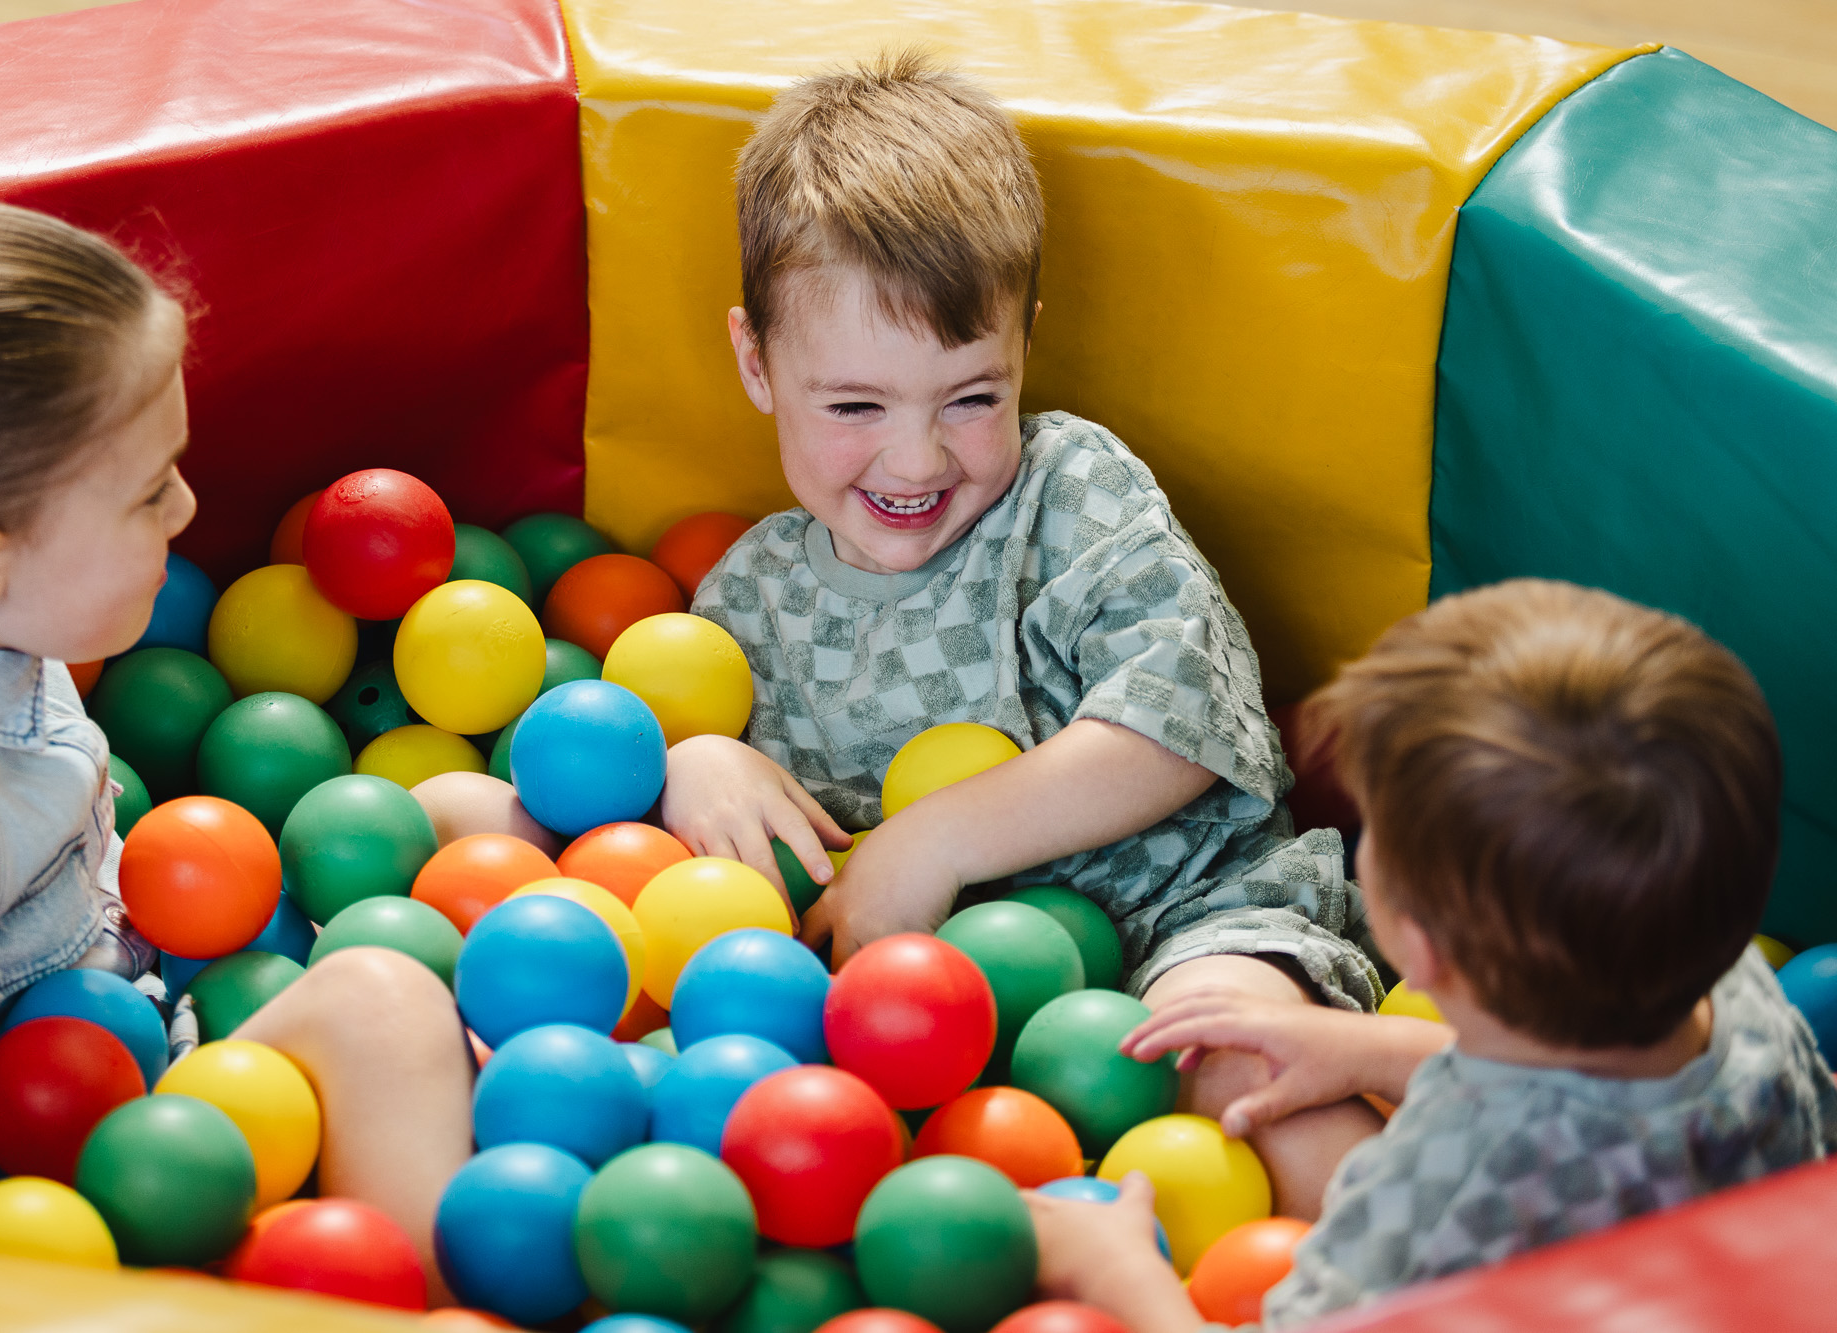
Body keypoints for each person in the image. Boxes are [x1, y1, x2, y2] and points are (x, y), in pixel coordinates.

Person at [664, 50, 1383, 1217]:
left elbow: (1175, 728)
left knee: (1246, 1066)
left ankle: (1454, 1282)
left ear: (1022, 348)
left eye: (969, 396)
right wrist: (689, 758)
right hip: (924, 1030)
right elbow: (718, 829)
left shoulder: (1072, 492)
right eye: (854, 406)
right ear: (756, 360)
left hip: (1185, 920)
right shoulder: (745, 605)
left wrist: (929, 842)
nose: (915, 458)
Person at [0, 191, 471, 1299]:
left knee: (456, 812)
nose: (185, 507)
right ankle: (421, 1304)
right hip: (64, 1172)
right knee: (384, 1001)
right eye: (147, 492)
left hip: (148, 961)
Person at [1027, 579, 1837, 1330]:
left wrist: (1121, 1271)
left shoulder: (1434, 1202)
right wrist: (1369, 1047)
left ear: (1415, 942)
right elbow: (1592, 1092)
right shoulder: (1737, 986)